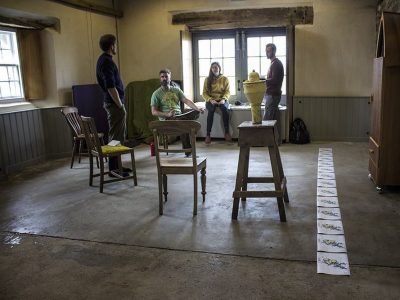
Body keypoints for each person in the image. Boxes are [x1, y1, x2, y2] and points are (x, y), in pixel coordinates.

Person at [96, 34, 130, 177]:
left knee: (118, 137)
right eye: (115, 45)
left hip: (112, 103)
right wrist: (120, 105)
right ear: (111, 46)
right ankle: (113, 169)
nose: (116, 47)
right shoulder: (106, 62)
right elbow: (110, 87)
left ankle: (117, 165)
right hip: (114, 105)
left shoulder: (103, 60)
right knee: (116, 138)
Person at [150, 69, 204, 155]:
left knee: (195, 112)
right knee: (184, 123)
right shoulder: (156, 94)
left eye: (166, 76)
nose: (164, 78)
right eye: (162, 77)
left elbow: (186, 100)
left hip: (180, 116)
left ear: (170, 78)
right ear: (160, 79)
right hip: (167, 119)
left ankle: (188, 126)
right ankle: (188, 149)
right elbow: (154, 112)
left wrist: (197, 108)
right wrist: (167, 114)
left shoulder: (176, 90)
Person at [202, 62, 231, 144]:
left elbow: (228, 91)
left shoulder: (225, 79)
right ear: (211, 69)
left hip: (222, 99)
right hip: (211, 99)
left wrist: (224, 99)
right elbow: (204, 93)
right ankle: (208, 134)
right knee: (211, 110)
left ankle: (227, 132)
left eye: (216, 67)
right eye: (213, 67)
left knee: (224, 109)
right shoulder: (207, 79)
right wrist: (210, 100)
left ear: (219, 68)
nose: (215, 69)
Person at [264, 43, 284, 143]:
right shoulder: (273, 63)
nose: (267, 53)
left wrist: (263, 80)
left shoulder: (276, 64)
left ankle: (266, 141)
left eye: (269, 51)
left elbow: (275, 80)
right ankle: (277, 141)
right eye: (266, 51)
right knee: (275, 119)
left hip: (272, 95)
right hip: (273, 95)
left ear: (274, 51)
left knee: (267, 120)